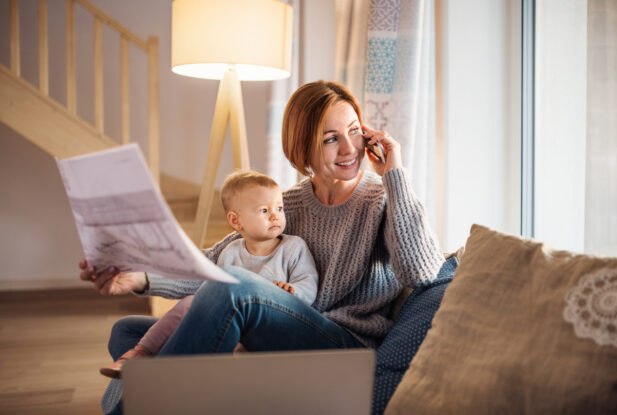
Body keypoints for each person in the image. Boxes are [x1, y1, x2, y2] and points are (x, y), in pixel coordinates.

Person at [79, 80, 445, 414]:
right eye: (331, 138)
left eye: (353, 131)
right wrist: (139, 278)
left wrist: (395, 175)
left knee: (236, 287)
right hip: (279, 334)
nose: (350, 148)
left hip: (342, 344)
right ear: (302, 146)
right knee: (127, 332)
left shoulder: (382, 199)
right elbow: (213, 264)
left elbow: (424, 273)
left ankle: (143, 408)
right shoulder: (285, 205)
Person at [97, 170, 319, 378]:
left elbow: (308, 283)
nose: (275, 217)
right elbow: (212, 290)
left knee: (237, 354)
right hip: (231, 327)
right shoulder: (231, 252)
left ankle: (164, 391)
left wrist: (295, 291)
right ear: (235, 221)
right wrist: (140, 276)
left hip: (269, 327)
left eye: (279, 209)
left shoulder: (293, 247)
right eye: (264, 210)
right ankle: (140, 353)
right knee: (170, 311)